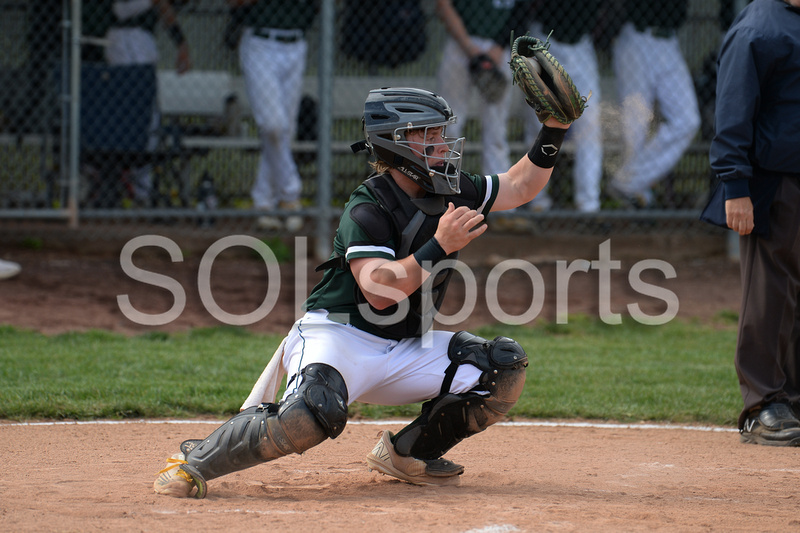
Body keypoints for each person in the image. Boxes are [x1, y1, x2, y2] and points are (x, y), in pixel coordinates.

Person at [153, 87, 571, 497]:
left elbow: (520, 186)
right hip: (339, 337)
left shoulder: (451, 187)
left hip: (404, 346)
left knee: (500, 368)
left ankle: (408, 455)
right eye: (427, 134)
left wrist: (554, 128)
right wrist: (439, 245)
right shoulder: (367, 206)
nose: (441, 142)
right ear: (397, 143)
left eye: (440, 132)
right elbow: (379, 292)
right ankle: (194, 463)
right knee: (310, 413)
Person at [708, 0, 800, 446]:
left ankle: (792, 398)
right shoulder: (760, 27)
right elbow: (733, 109)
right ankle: (763, 404)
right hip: (774, 181)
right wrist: (735, 186)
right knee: (771, 291)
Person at [228, 0, 317, 232]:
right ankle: (290, 194)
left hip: (296, 45)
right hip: (260, 44)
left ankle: (264, 203)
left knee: (285, 130)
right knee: (272, 125)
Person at [608, 0, 701, 208]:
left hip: (669, 43)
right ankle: (636, 197)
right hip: (638, 39)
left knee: (688, 121)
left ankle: (628, 182)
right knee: (635, 126)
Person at [103, 0, 192, 205]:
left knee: (148, 116)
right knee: (129, 115)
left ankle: (141, 187)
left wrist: (181, 42)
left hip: (140, 41)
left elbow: (164, 7)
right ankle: (124, 181)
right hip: (126, 39)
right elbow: (120, 10)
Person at [519, 0, 603, 213]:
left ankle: (589, 205)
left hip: (581, 44)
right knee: (539, 124)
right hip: (543, 40)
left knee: (590, 124)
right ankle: (538, 201)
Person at [435, 0, 515, 177]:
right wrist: (469, 47)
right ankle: (443, 189)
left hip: (499, 49)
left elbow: (522, 11)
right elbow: (442, 5)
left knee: (496, 130)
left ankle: (498, 196)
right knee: (449, 124)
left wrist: (500, 46)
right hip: (460, 43)